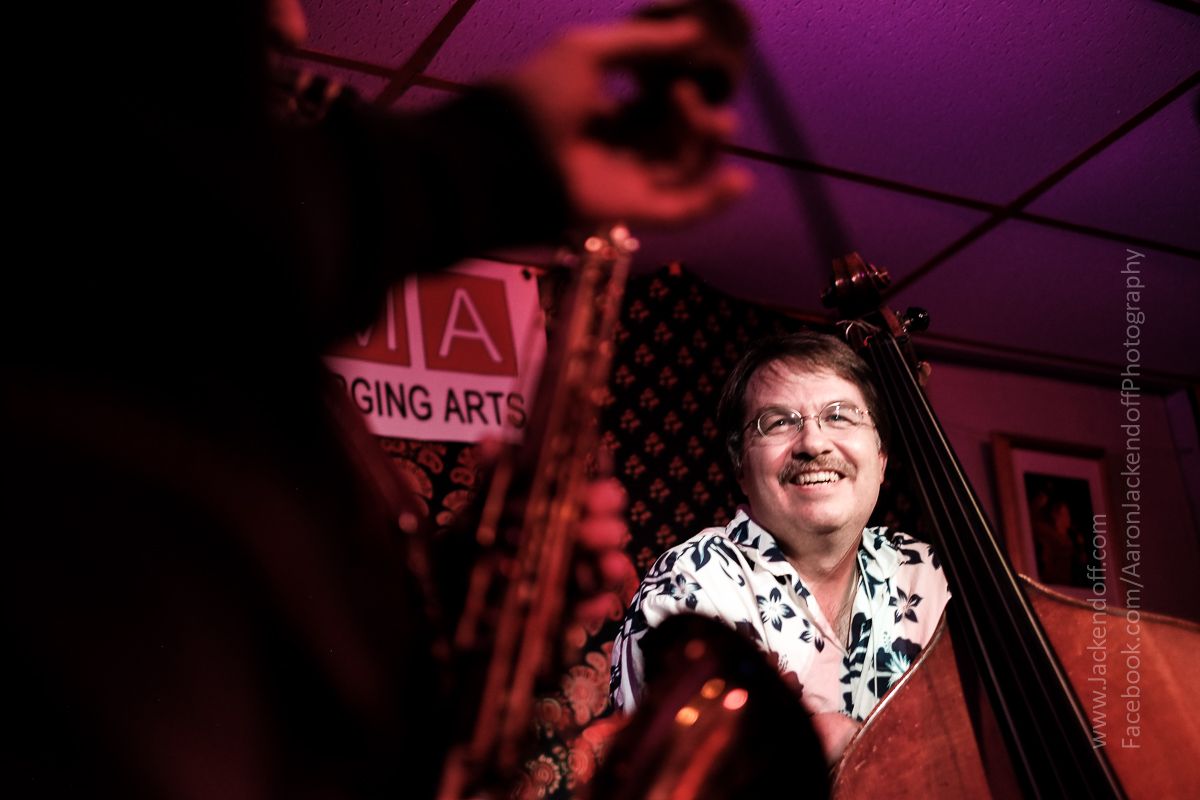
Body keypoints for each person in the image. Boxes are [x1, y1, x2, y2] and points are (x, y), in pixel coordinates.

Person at [6, 1, 748, 796]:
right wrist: (493, 154)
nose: (290, 23)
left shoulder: (230, 393)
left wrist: (461, 603)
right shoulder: (107, 297)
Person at [610, 332, 951, 763]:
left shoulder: (930, 576)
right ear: (740, 468)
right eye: (778, 422)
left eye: (840, 416)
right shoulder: (692, 583)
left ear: (882, 458)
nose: (813, 444)